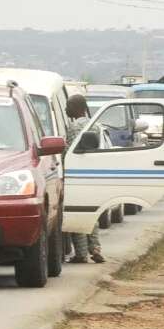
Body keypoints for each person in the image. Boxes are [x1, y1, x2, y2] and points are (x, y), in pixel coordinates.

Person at [64, 95, 106, 263]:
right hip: (92, 174)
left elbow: (69, 152)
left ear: (77, 107)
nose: (66, 109)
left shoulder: (75, 126)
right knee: (91, 214)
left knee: (76, 213)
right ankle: (95, 248)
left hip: (76, 175)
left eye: (68, 106)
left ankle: (81, 254)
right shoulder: (95, 125)